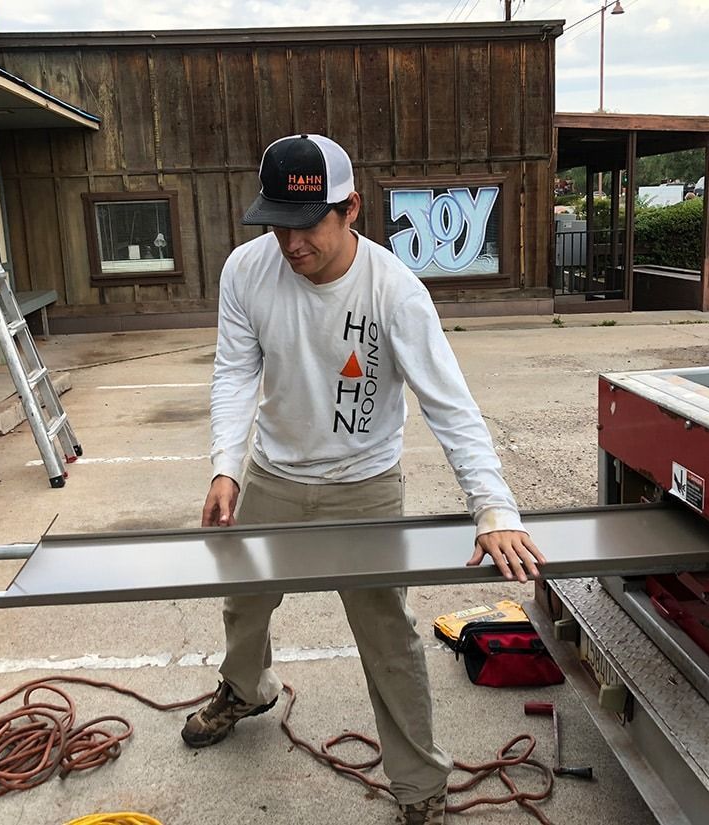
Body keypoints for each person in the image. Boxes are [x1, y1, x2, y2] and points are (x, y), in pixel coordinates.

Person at [184, 133, 544, 825]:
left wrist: (493, 505)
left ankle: (419, 786)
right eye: (277, 224)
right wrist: (226, 465)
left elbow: (448, 400)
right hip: (276, 472)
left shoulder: (394, 290)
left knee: (388, 634)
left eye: (307, 223)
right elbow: (235, 370)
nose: (290, 244)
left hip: (365, 481)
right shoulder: (245, 271)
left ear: (350, 208)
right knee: (244, 602)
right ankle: (248, 688)